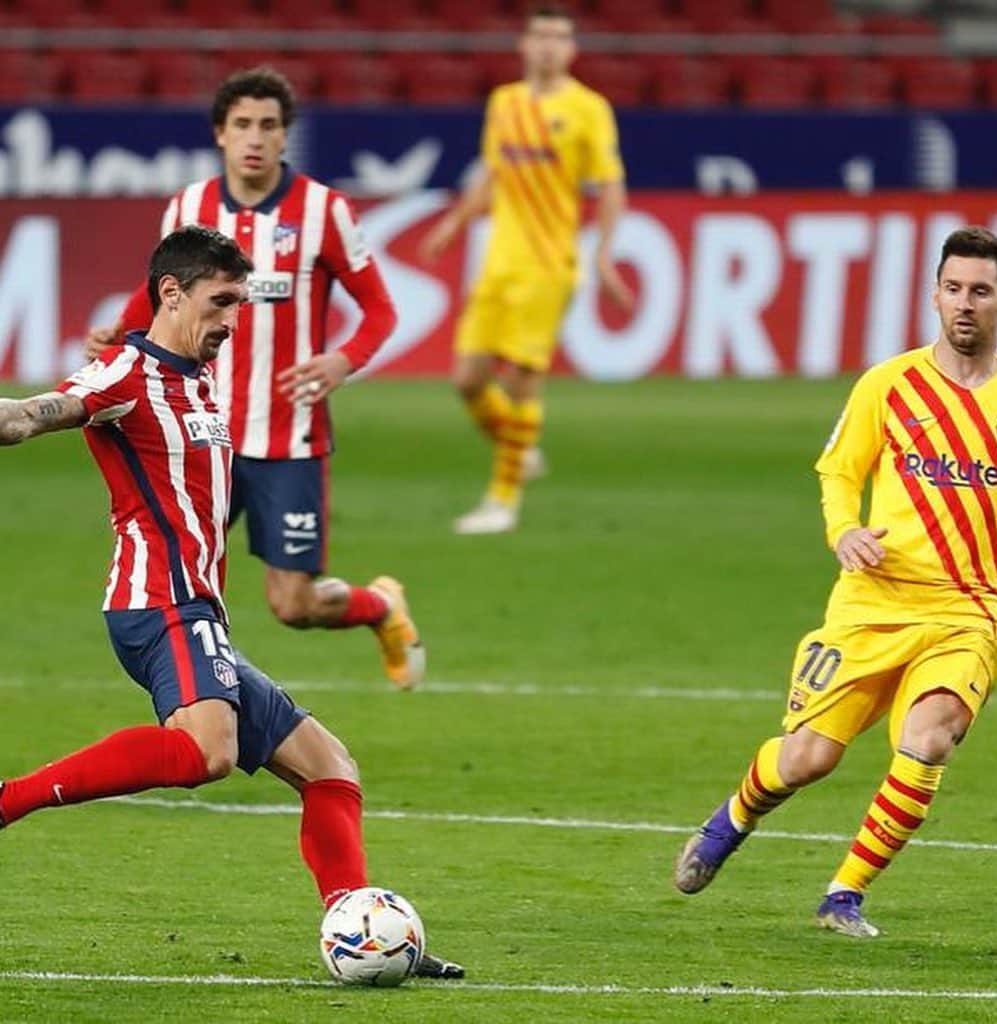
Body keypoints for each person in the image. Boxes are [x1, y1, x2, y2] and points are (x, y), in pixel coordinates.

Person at [0, 226, 461, 979]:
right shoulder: (122, 376)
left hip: (198, 609)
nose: (231, 321)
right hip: (159, 603)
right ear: (171, 293)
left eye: (239, 305)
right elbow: (29, 416)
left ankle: (365, 930)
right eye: (221, 303)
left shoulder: (196, 378)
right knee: (207, 752)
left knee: (330, 768)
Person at [675, 226, 997, 938]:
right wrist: (843, 531)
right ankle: (732, 819)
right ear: (933, 295)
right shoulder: (888, 385)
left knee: (930, 739)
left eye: (980, 291)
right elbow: (839, 468)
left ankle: (845, 894)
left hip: (969, 610)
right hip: (872, 602)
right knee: (808, 758)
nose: (965, 303)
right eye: (953, 288)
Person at [88, 67, 423, 688]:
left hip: (286, 437)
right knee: (186, 582)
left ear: (284, 136)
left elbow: (380, 308)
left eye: (269, 126)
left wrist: (342, 360)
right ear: (220, 132)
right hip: (199, 435)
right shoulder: (188, 208)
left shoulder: (324, 211)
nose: (255, 137)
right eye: (242, 123)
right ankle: (203, 696)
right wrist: (118, 336)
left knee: (292, 605)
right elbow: (160, 296)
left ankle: (380, 605)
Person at [421, 2, 633, 534]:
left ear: (572, 49)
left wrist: (604, 254)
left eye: (559, 37)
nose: (548, 46)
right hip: (499, 262)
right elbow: (492, 175)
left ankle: (502, 501)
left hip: (548, 264)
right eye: (540, 36)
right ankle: (521, 448)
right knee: (467, 380)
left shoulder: (588, 108)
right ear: (523, 44)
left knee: (521, 382)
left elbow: (610, 186)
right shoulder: (504, 103)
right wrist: (454, 222)